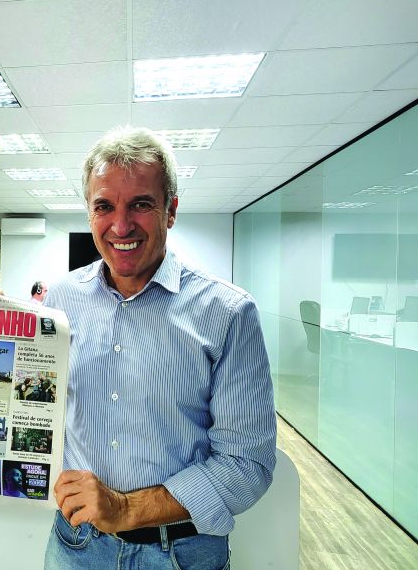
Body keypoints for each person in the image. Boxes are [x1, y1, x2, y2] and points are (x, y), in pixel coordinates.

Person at [43, 126, 276, 569]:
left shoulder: (228, 312)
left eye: (141, 205)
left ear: (170, 210)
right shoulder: (60, 301)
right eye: (104, 207)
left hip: (179, 554)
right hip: (75, 545)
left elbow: (247, 466)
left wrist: (127, 509)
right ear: (89, 213)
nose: (121, 225)